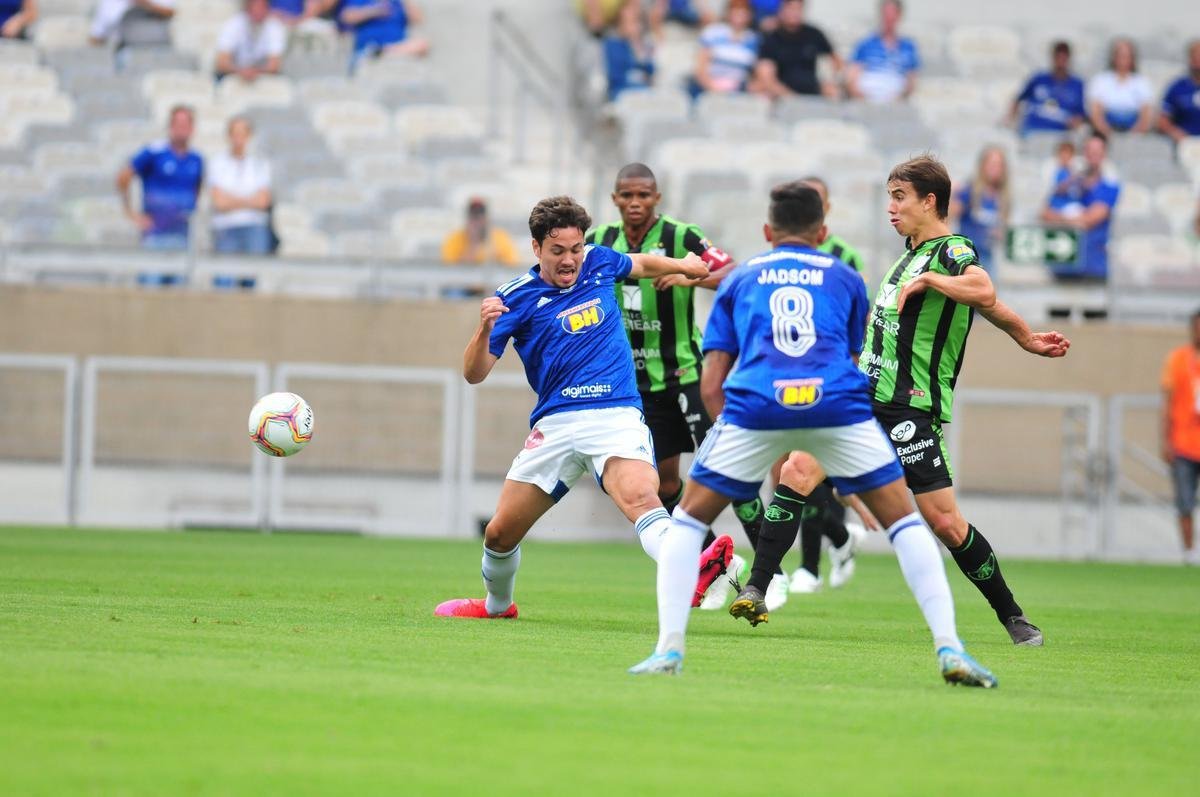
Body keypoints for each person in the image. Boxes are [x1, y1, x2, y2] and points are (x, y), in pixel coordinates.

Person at [628, 182, 999, 687]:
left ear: (767, 231)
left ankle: (668, 650)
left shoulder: (740, 278)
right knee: (906, 523)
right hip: (836, 407)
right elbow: (854, 357)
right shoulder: (846, 277)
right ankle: (950, 647)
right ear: (822, 232)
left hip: (757, 404)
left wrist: (729, 438)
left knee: (688, 522)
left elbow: (712, 381)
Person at [733, 156, 1070, 648]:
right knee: (796, 470)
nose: (890, 208)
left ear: (929, 201)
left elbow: (983, 289)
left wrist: (933, 281)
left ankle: (1013, 616)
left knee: (945, 522)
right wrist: (1025, 336)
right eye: (889, 197)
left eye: (899, 197)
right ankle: (758, 588)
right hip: (861, 397)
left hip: (909, 406)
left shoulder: (952, 250)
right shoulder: (908, 255)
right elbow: (990, 306)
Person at [435, 195, 724, 620]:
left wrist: (685, 265)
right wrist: (484, 330)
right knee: (498, 534)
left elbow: (641, 264)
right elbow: (473, 374)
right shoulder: (515, 298)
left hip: (615, 416)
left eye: (576, 248)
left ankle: (690, 566)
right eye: (558, 251)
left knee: (642, 498)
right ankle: (497, 606)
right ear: (536, 248)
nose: (570, 260)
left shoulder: (598, 262)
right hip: (556, 424)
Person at [584, 163, 773, 611]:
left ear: (657, 197)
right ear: (614, 199)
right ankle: (717, 563)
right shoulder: (599, 243)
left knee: (727, 465)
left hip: (688, 375)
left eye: (643, 195)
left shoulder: (682, 236)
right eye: (627, 195)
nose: (635, 203)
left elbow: (732, 274)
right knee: (665, 482)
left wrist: (692, 275)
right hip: (636, 385)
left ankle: (771, 573)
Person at [116, 105, 204, 279]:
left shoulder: (196, 159)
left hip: (183, 235)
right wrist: (130, 212)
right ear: (170, 126)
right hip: (155, 234)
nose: (182, 129)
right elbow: (123, 177)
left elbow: (197, 189)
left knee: (181, 287)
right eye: (178, 124)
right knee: (151, 282)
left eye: (186, 124)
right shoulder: (154, 152)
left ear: (192, 128)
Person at [1040, 132, 1120, 281]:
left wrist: (1061, 218)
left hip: (1093, 268)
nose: (1092, 155)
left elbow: (1089, 220)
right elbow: (1044, 213)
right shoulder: (1069, 183)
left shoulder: (1109, 187)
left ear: (1104, 154)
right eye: (1089, 150)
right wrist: (1071, 218)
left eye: (1097, 151)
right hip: (1062, 265)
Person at [1161, 310, 1200, 566]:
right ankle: (1189, 553)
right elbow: (1167, 403)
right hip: (1184, 444)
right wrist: (1166, 441)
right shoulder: (1177, 359)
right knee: (1185, 501)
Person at [209, 116, 273, 267]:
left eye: (243, 133)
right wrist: (249, 200)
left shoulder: (260, 163)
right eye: (235, 133)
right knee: (224, 275)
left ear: (249, 136)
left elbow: (263, 201)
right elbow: (219, 202)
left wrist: (231, 200)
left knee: (253, 273)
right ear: (229, 136)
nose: (239, 138)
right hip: (225, 227)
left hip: (254, 226)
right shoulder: (217, 162)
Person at [749, 0, 840, 100]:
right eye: (790, 8)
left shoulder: (814, 34)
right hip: (782, 95)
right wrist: (790, 97)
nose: (794, 13)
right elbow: (765, 74)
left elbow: (835, 61)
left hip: (813, 92)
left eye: (798, 9)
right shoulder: (771, 38)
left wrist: (830, 82)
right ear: (781, 11)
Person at [949, 145, 1010, 271]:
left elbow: (1001, 228)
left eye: (999, 165)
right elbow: (949, 217)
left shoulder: (1002, 197)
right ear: (982, 166)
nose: (995, 169)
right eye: (992, 164)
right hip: (967, 254)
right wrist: (952, 194)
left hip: (987, 255)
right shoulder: (970, 191)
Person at [845, 0, 918, 104]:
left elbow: (911, 79)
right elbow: (853, 74)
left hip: (895, 97)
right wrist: (862, 98)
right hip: (867, 96)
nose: (889, 19)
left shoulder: (908, 47)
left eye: (892, 15)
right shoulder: (866, 44)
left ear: (899, 16)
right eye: (886, 14)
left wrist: (898, 98)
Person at [1009, 40, 1087, 136]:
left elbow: (1081, 114)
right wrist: (1011, 119)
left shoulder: (1077, 85)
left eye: (1064, 58)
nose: (1061, 62)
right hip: (1033, 130)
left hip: (1060, 134)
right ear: (1053, 58)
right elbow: (1018, 99)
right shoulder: (1038, 79)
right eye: (1058, 57)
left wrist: (1075, 121)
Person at [692, 0, 759, 96]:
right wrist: (714, 88)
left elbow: (754, 73)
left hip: (739, 90)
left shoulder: (753, 39)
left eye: (743, 14)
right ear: (728, 13)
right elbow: (701, 69)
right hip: (709, 87)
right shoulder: (712, 32)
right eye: (735, 13)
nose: (739, 17)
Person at [1087, 38, 1154, 135]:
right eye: (1120, 55)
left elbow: (1146, 115)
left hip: (1134, 134)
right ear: (1114, 57)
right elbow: (1095, 113)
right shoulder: (1101, 80)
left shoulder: (1142, 82)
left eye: (1127, 56)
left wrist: (1133, 135)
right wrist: (1107, 132)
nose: (1123, 60)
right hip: (1106, 133)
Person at [339, 0, 429, 71]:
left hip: (395, 46)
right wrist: (374, 10)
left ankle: (381, 52)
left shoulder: (398, 3)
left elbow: (418, 19)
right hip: (369, 44)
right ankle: (377, 52)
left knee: (422, 44)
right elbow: (346, 17)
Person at [216, 0, 287, 82]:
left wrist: (255, 72)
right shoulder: (233, 24)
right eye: (255, 6)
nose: (258, 10)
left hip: (263, 76)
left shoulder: (275, 26)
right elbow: (222, 62)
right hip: (235, 74)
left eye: (262, 7)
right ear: (247, 8)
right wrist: (241, 71)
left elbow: (274, 65)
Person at [440, 198, 521, 267]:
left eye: (480, 218)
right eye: (473, 217)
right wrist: (473, 242)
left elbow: (512, 266)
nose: (477, 223)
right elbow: (450, 270)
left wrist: (494, 251)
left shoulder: (501, 238)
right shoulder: (454, 239)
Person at [603, 1, 655, 101]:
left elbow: (651, 69)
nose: (634, 27)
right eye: (629, 22)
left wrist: (636, 45)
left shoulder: (642, 44)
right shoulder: (612, 44)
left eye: (636, 21)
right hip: (623, 93)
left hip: (644, 92)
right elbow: (616, 77)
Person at [1159, 40, 1200, 143]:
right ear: (1190, 59)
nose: (1198, 61)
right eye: (1195, 56)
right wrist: (1173, 132)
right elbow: (1163, 120)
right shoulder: (1177, 87)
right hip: (1185, 143)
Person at [90, 0, 175, 47]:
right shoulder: (110, 3)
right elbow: (97, 36)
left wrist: (144, 3)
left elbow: (171, 12)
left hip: (158, 48)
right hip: (123, 50)